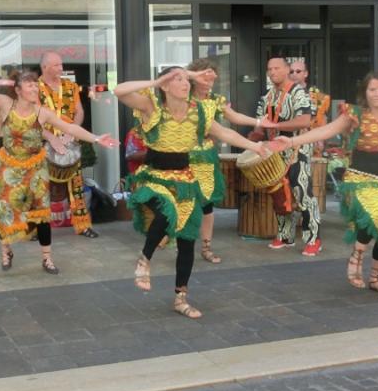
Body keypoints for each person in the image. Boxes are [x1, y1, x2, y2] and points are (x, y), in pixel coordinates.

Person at [114, 66, 269, 319]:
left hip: (185, 180)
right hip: (154, 178)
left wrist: (255, 146)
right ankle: (144, 259)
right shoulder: (152, 106)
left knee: (187, 241)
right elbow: (119, 90)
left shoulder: (199, 111)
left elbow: (224, 132)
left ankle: (180, 298)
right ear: (166, 85)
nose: (185, 84)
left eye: (187, 79)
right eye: (178, 79)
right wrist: (156, 81)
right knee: (167, 212)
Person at [271, 72, 378, 296]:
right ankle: (357, 256)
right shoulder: (354, 114)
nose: (377, 94)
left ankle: (376, 278)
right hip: (360, 178)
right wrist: (292, 141)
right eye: (372, 89)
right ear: (365, 93)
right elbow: (326, 130)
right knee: (374, 217)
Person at [0, 71, 118, 274]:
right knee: (5, 209)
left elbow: (70, 128)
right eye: (29, 85)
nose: (34, 88)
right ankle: (6, 252)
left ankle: (47, 258)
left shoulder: (42, 112)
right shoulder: (6, 104)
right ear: (18, 90)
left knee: (41, 213)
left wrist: (96, 138)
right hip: (10, 168)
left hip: (35, 169)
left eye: (35, 85)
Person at [187, 58, 268, 264]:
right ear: (194, 77)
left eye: (212, 77)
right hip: (181, 157)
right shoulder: (181, 99)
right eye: (205, 76)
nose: (210, 81)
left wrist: (259, 122)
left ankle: (206, 247)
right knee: (182, 201)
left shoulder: (215, 100)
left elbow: (233, 118)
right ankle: (174, 240)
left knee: (206, 205)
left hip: (205, 157)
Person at [250, 57, 322, 257]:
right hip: (276, 151)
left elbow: (304, 120)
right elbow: (259, 126)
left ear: (287, 69)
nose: (273, 72)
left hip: (297, 148)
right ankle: (285, 235)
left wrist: (276, 126)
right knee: (280, 194)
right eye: (269, 69)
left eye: (277, 68)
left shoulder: (298, 92)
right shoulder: (267, 96)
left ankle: (313, 239)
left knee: (302, 193)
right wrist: (252, 140)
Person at [38, 51, 99, 238]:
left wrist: (71, 132)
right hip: (43, 142)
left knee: (77, 185)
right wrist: (51, 138)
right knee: (39, 186)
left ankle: (82, 225)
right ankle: (36, 226)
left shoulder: (70, 86)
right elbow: (31, 119)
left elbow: (79, 112)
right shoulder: (34, 88)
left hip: (69, 141)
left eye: (61, 64)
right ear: (45, 67)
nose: (61, 68)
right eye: (56, 65)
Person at [289, 60, 331, 156]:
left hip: (311, 142)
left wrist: (321, 139)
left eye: (298, 71)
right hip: (289, 143)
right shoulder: (283, 94)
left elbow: (323, 119)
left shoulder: (317, 95)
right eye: (291, 72)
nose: (294, 74)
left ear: (306, 73)